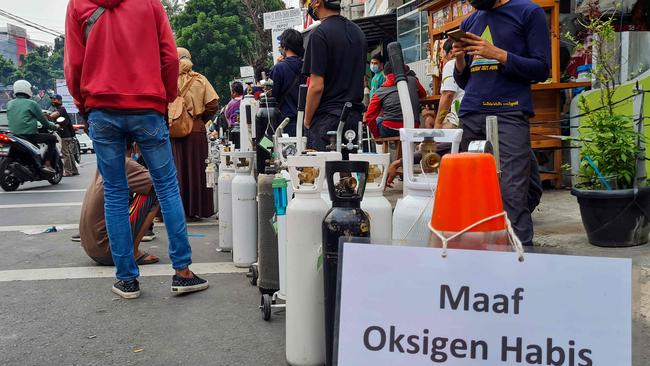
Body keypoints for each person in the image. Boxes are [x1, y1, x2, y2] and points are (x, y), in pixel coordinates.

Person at [65, 0, 208, 299]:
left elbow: (73, 64)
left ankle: (127, 280)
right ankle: (183, 273)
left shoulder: (78, 4)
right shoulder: (150, 3)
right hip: (147, 106)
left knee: (115, 193)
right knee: (167, 187)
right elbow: (169, 56)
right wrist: (165, 97)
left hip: (101, 107)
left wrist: (84, 106)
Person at [452, 0, 549, 246]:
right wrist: (461, 60)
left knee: (511, 193)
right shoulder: (470, 21)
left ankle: (519, 260)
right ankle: (479, 259)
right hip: (472, 111)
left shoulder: (529, 12)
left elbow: (541, 68)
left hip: (509, 111)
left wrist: (497, 53)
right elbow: (466, 82)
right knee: (473, 193)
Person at [78, 139, 160, 266]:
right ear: (134, 146)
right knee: (157, 192)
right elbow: (163, 183)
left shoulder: (105, 162)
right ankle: (134, 253)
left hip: (93, 249)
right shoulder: (127, 163)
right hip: (112, 251)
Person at [302, 0, 367, 151]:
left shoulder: (319, 34)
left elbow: (316, 86)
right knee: (348, 171)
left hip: (328, 120)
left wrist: (307, 120)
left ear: (317, 2)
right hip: (354, 118)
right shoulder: (358, 33)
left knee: (323, 173)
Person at [170, 47, 219, 220]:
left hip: (174, 130)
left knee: (176, 171)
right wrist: (198, 119)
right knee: (198, 170)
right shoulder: (200, 79)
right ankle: (198, 209)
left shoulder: (167, 79)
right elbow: (213, 104)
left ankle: (176, 211)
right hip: (196, 131)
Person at [7, 80, 58, 173]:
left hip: (14, 135)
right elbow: (43, 121)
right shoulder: (32, 103)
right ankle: (47, 163)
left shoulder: (9, 103)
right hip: (29, 136)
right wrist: (53, 126)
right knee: (52, 138)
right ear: (27, 89)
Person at [364, 62, 427, 138]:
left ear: (384, 75)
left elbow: (369, 117)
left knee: (378, 120)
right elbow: (423, 94)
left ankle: (381, 147)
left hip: (391, 129)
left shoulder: (379, 92)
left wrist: (377, 136)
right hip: (413, 127)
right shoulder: (413, 81)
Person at [270, 29, 305, 136]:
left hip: (285, 123)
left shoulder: (278, 68)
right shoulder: (308, 67)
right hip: (307, 122)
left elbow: (272, 98)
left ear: (284, 47)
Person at [434, 38, 465, 129]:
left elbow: (448, 94)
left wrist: (438, 124)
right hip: (474, 116)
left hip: (460, 119)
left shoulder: (450, 64)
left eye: (442, 53)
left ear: (451, 53)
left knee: (433, 140)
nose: (442, 58)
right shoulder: (470, 63)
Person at [48, 94, 79, 176]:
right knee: (69, 153)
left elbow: (54, 115)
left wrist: (47, 117)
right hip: (68, 135)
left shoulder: (61, 109)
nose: (53, 101)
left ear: (59, 100)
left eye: (54, 99)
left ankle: (68, 171)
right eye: (52, 99)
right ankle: (74, 170)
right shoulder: (60, 109)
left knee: (65, 153)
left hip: (65, 135)